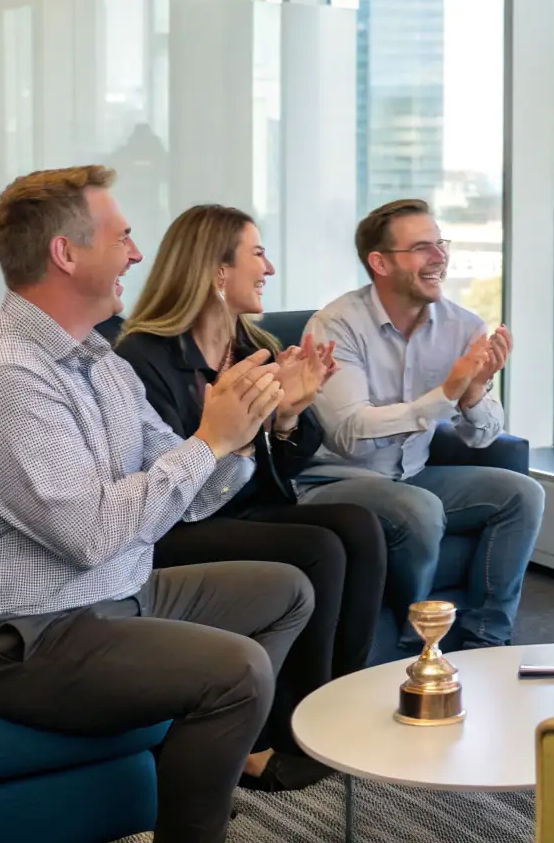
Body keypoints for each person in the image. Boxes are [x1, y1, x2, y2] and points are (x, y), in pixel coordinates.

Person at [0, 166, 315, 843]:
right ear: (65, 253)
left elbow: (194, 497)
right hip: (24, 636)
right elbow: (91, 532)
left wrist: (247, 427)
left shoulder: (99, 360)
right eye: (124, 236)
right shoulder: (2, 375)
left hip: (113, 595)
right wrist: (208, 440)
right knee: (238, 670)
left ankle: (200, 757)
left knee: (286, 591)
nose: (137, 254)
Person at [113, 204, 388, 789]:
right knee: (319, 548)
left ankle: (340, 706)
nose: (269, 267)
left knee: (359, 527)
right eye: (256, 253)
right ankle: (289, 731)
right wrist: (240, 428)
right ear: (216, 271)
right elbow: (164, 473)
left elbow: (291, 458)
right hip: (180, 521)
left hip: (252, 507)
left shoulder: (257, 344)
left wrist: (287, 416)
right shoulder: (145, 357)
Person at [297, 199, 545, 651]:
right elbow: (348, 432)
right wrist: (445, 394)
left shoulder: (463, 326)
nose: (439, 257)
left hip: (411, 474)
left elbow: (483, 435)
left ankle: (486, 639)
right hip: (336, 480)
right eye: (421, 248)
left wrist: (472, 396)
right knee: (420, 509)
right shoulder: (336, 326)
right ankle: (418, 643)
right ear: (380, 262)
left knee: (522, 494)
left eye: (440, 244)